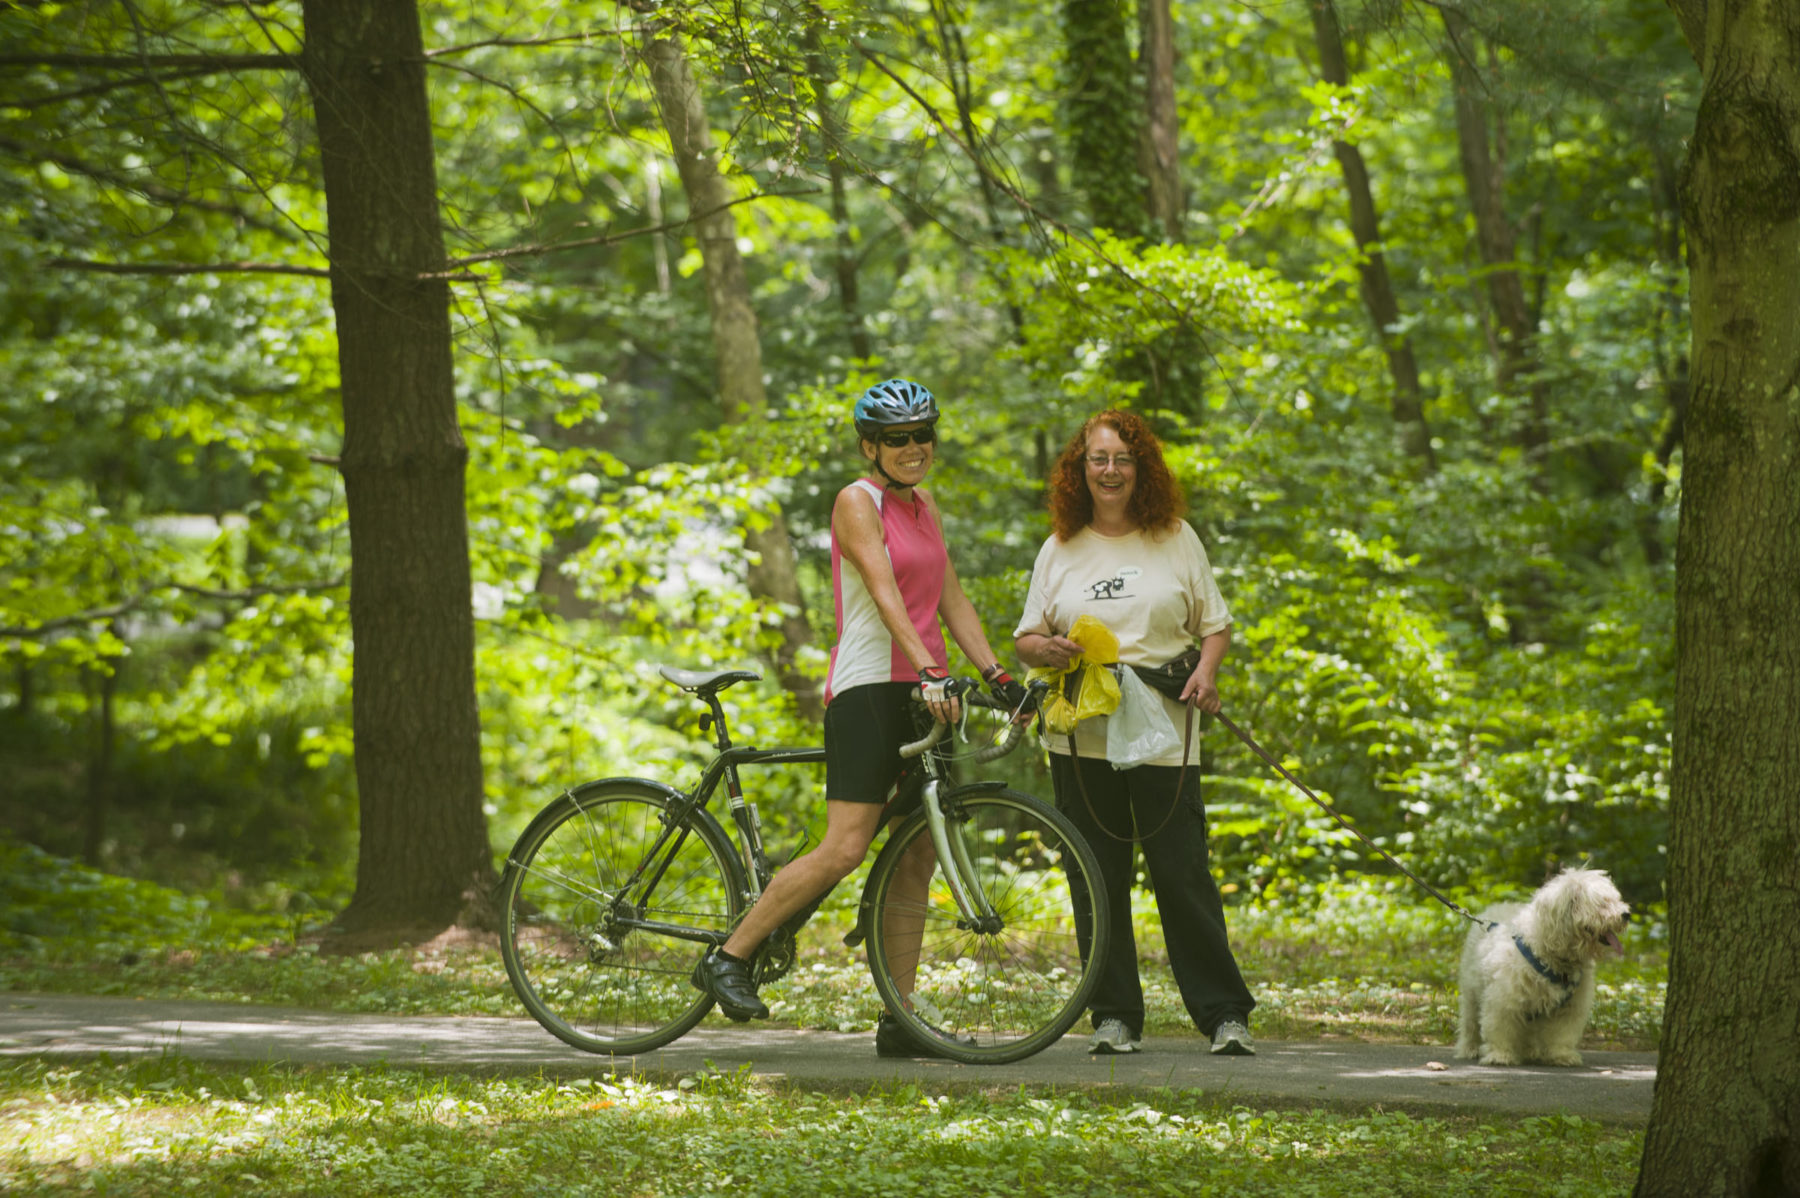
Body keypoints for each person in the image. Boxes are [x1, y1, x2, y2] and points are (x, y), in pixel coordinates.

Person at [691, 378, 1027, 1057]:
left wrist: (997, 675)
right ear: (870, 446)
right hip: (872, 687)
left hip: (923, 693)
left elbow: (951, 599)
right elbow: (882, 591)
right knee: (847, 846)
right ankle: (729, 956)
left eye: (922, 435)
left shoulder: (924, 504)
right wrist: (930, 668)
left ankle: (901, 1018)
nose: (913, 448)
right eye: (898, 439)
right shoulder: (856, 501)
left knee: (919, 851)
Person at [1013, 408, 1257, 1056]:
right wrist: (1050, 649)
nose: (1111, 470)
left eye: (1122, 458)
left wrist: (1206, 674)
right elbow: (1026, 638)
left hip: (1166, 733)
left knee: (1183, 873)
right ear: (1080, 469)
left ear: (1140, 467)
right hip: (1081, 736)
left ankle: (1224, 1013)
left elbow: (1216, 626)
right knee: (1096, 874)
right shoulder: (1060, 547)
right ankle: (1114, 1014)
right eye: (1099, 458)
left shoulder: (1175, 537)